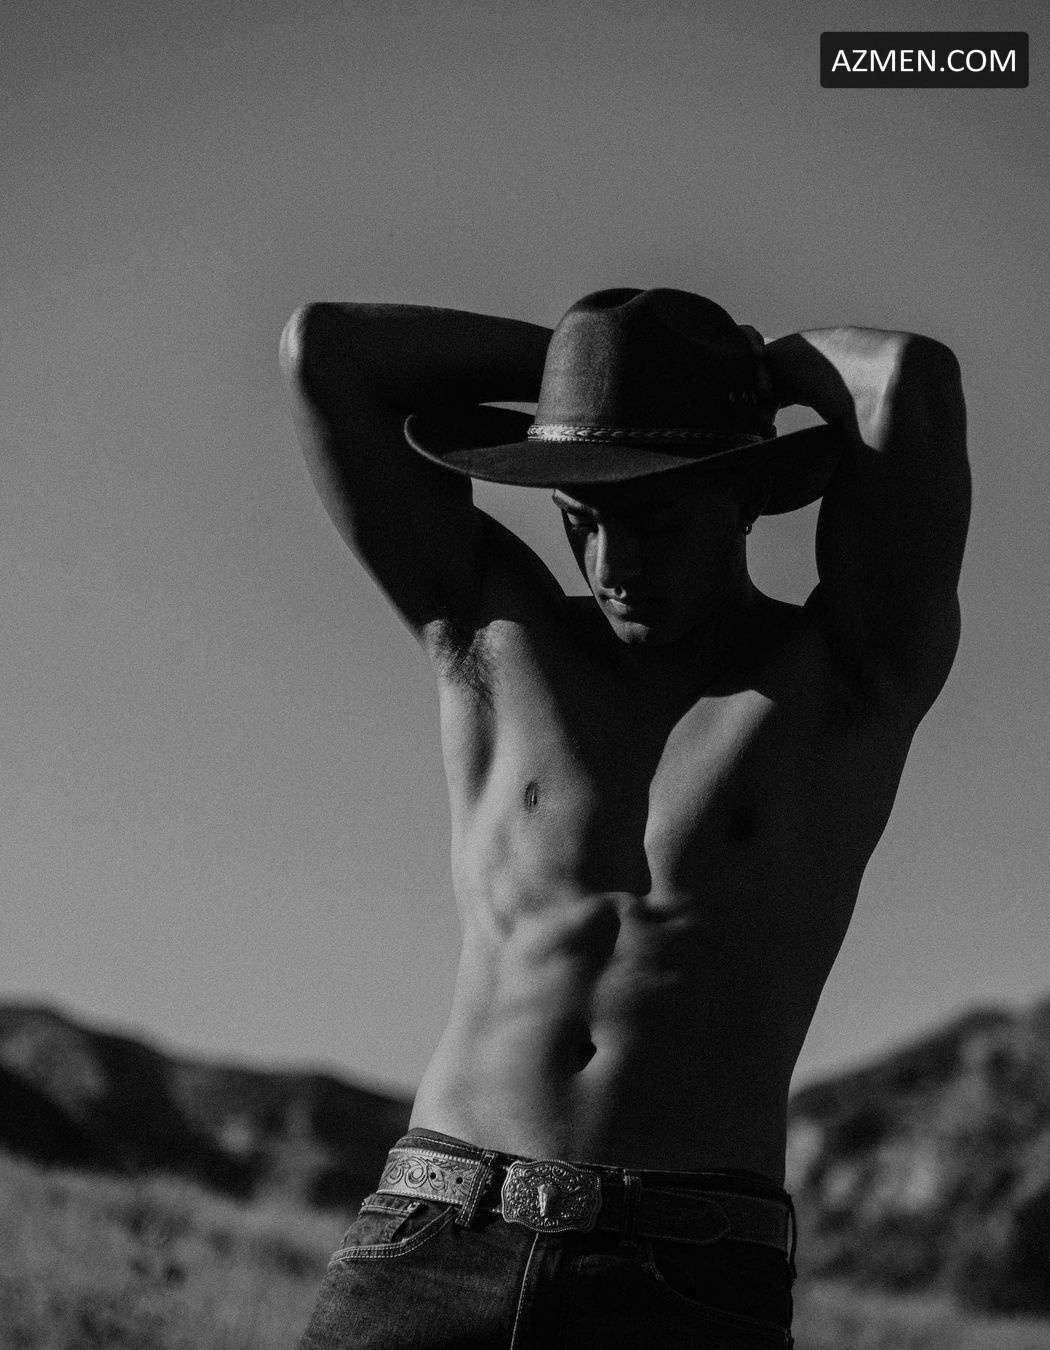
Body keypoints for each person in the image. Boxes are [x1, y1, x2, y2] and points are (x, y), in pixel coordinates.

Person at [279, 287, 970, 1349]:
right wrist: (585, 373)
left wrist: (737, 377)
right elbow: (324, 355)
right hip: (436, 1234)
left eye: (651, 521)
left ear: (746, 492)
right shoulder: (490, 634)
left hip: (684, 1277)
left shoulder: (841, 676)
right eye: (580, 520)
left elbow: (908, 385)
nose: (611, 565)